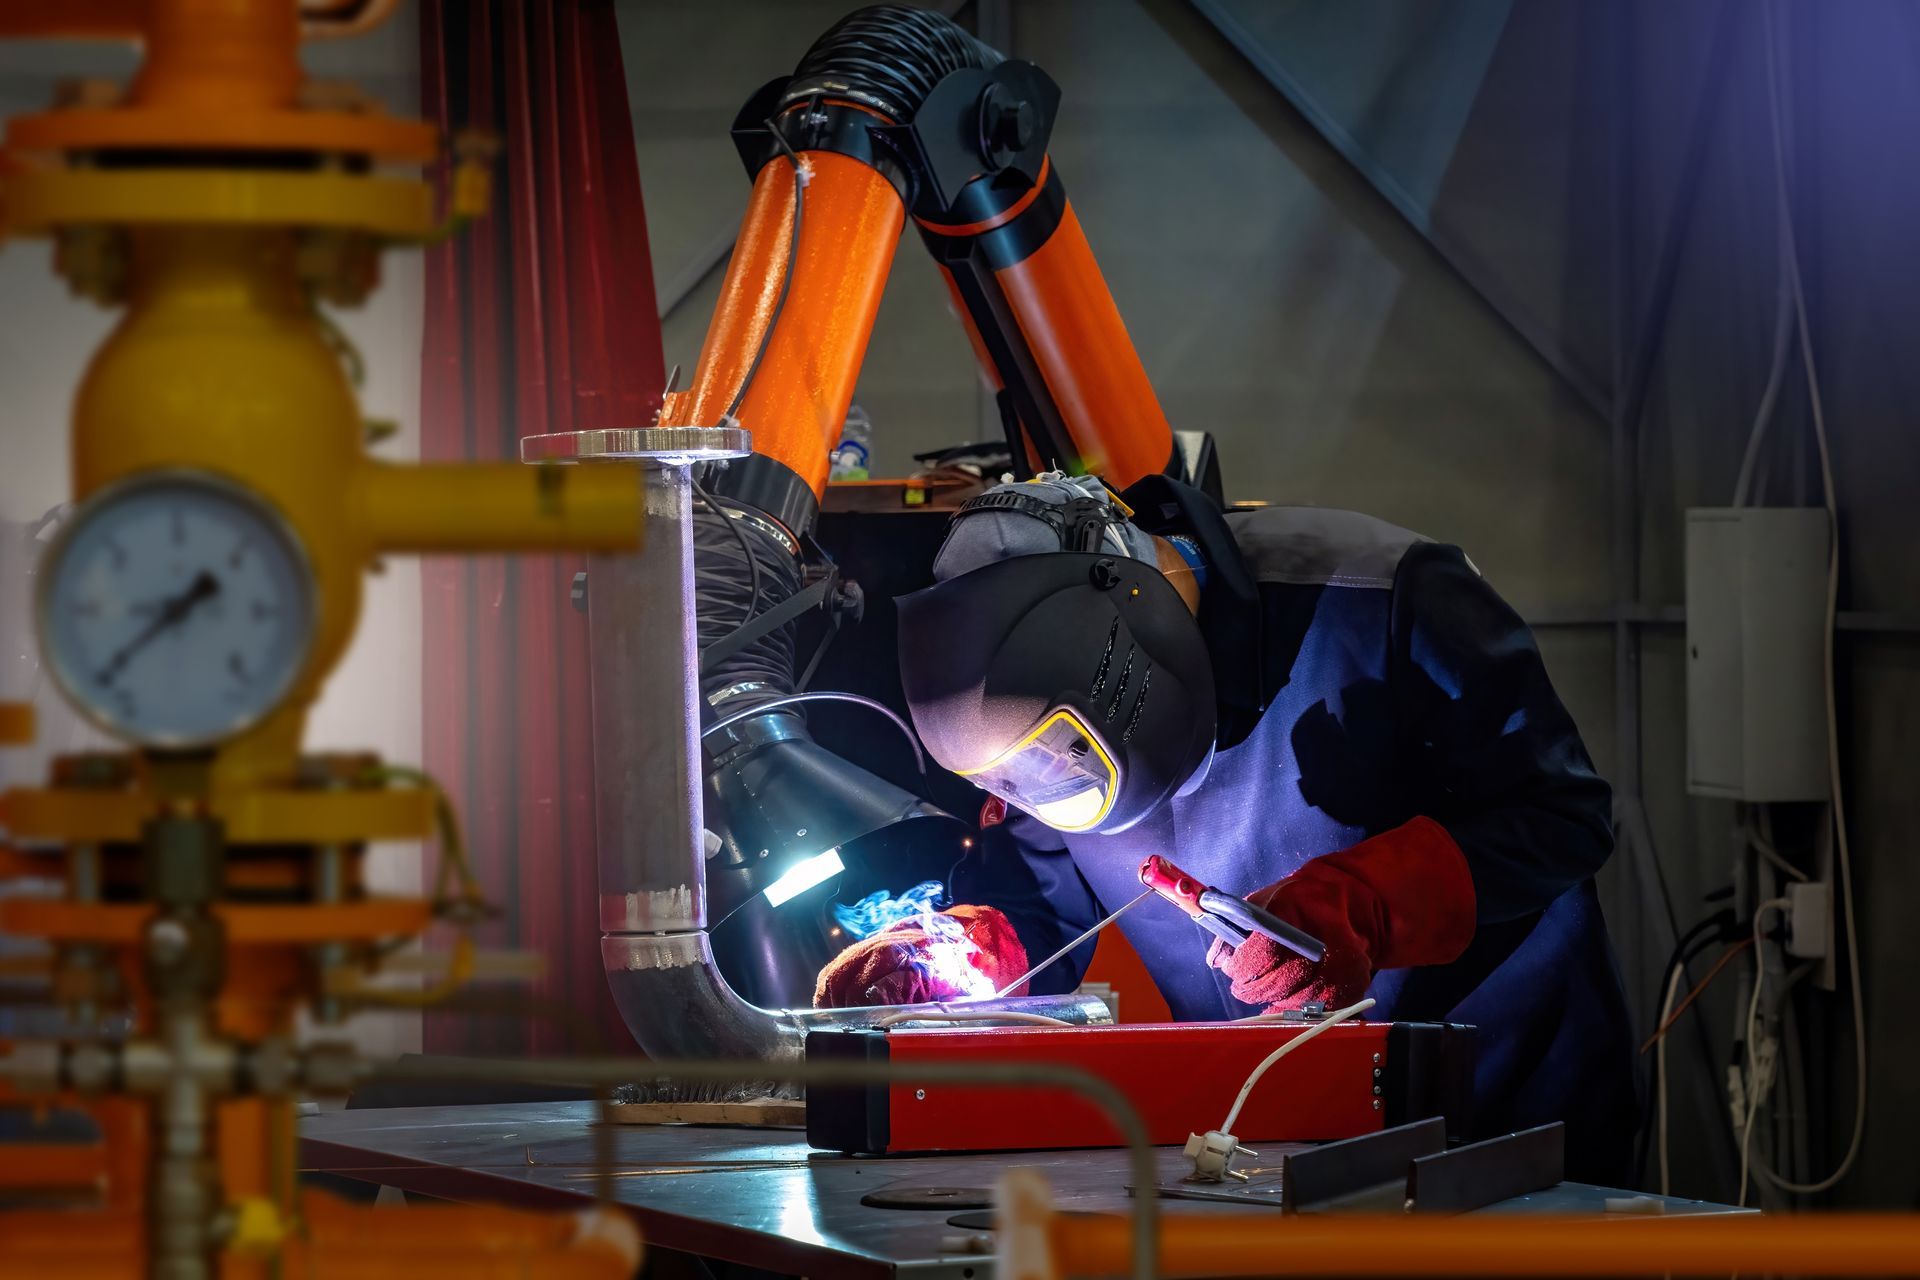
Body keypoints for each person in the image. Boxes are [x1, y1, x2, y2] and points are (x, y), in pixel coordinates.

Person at [815, 471, 1637, 1184]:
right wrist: (970, 950)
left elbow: (1564, 817)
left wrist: (1369, 905)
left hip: (1502, 1114)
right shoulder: (1043, 707)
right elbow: (1038, 888)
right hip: (1262, 1135)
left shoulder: (1377, 593)